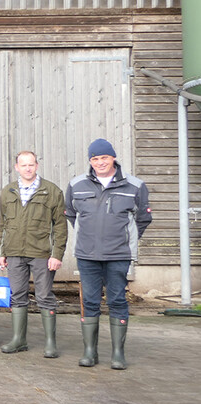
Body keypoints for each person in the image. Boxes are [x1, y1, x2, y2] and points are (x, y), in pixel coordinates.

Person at [65, 139, 152, 370]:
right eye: (95, 159)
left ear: (113, 158)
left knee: (116, 300)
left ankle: (117, 354)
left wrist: (124, 238)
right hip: (87, 254)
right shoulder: (77, 184)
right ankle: (90, 352)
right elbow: (72, 215)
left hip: (118, 255)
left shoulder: (134, 185)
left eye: (104, 157)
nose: (100, 162)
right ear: (90, 161)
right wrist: (90, 236)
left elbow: (143, 218)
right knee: (90, 301)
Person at [0, 151, 69, 357]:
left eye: (31, 165)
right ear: (17, 167)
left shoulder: (51, 191)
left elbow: (60, 227)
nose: (27, 168)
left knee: (44, 296)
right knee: (18, 296)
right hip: (15, 252)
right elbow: (2, 224)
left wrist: (57, 254)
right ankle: (19, 340)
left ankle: (50, 344)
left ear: (37, 166)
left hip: (41, 253)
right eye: (23, 165)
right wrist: (2, 252)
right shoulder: (8, 191)